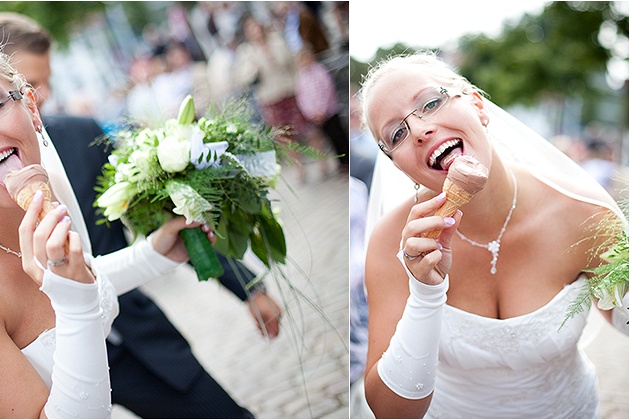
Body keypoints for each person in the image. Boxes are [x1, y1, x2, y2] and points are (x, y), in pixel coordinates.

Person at [0, 35, 223, 418]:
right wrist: (78, 306)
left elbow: (53, 299)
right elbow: (68, 302)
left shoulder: (41, 189)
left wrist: (152, 257)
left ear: (30, 105)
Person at [0, 12, 280, 418]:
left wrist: (250, 288)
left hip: (137, 335)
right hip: (48, 370)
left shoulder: (83, 136)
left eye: (46, 81)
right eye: (29, 82)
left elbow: (167, 219)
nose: (41, 94)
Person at [357, 51, 627, 419]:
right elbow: (391, 412)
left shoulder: (583, 211)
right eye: (397, 134)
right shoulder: (394, 244)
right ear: (398, 166)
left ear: (478, 106)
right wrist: (425, 293)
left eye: (431, 103)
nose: (419, 130)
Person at [234, 14, 314, 183]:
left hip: (290, 90)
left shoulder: (276, 39)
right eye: (250, 28)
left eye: (256, 26)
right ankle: (299, 169)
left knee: (307, 127)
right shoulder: (246, 51)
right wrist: (252, 69)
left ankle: (322, 159)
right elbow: (244, 78)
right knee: (284, 137)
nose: (255, 31)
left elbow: (292, 63)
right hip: (270, 97)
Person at [294, 43, 348, 173]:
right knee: (329, 139)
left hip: (329, 111)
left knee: (339, 136)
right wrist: (310, 113)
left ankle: (346, 161)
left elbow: (327, 90)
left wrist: (322, 110)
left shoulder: (320, 71)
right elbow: (302, 97)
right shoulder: (301, 78)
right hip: (315, 115)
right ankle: (339, 163)